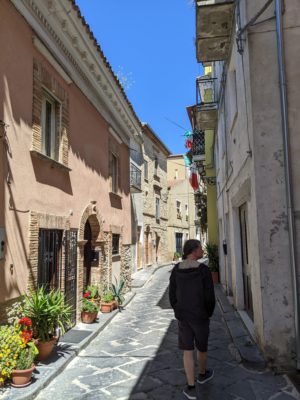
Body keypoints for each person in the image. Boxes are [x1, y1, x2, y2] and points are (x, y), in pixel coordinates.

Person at [169, 239, 216, 400]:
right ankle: (202, 374)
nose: (202, 251)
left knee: (187, 350)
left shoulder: (176, 270)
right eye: (200, 249)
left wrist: (178, 309)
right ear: (194, 251)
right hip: (200, 316)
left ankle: (190, 386)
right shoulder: (203, 270)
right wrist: (207, 312)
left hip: (184, 316)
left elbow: (172, 294)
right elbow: (210, 296)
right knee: (201, 347)